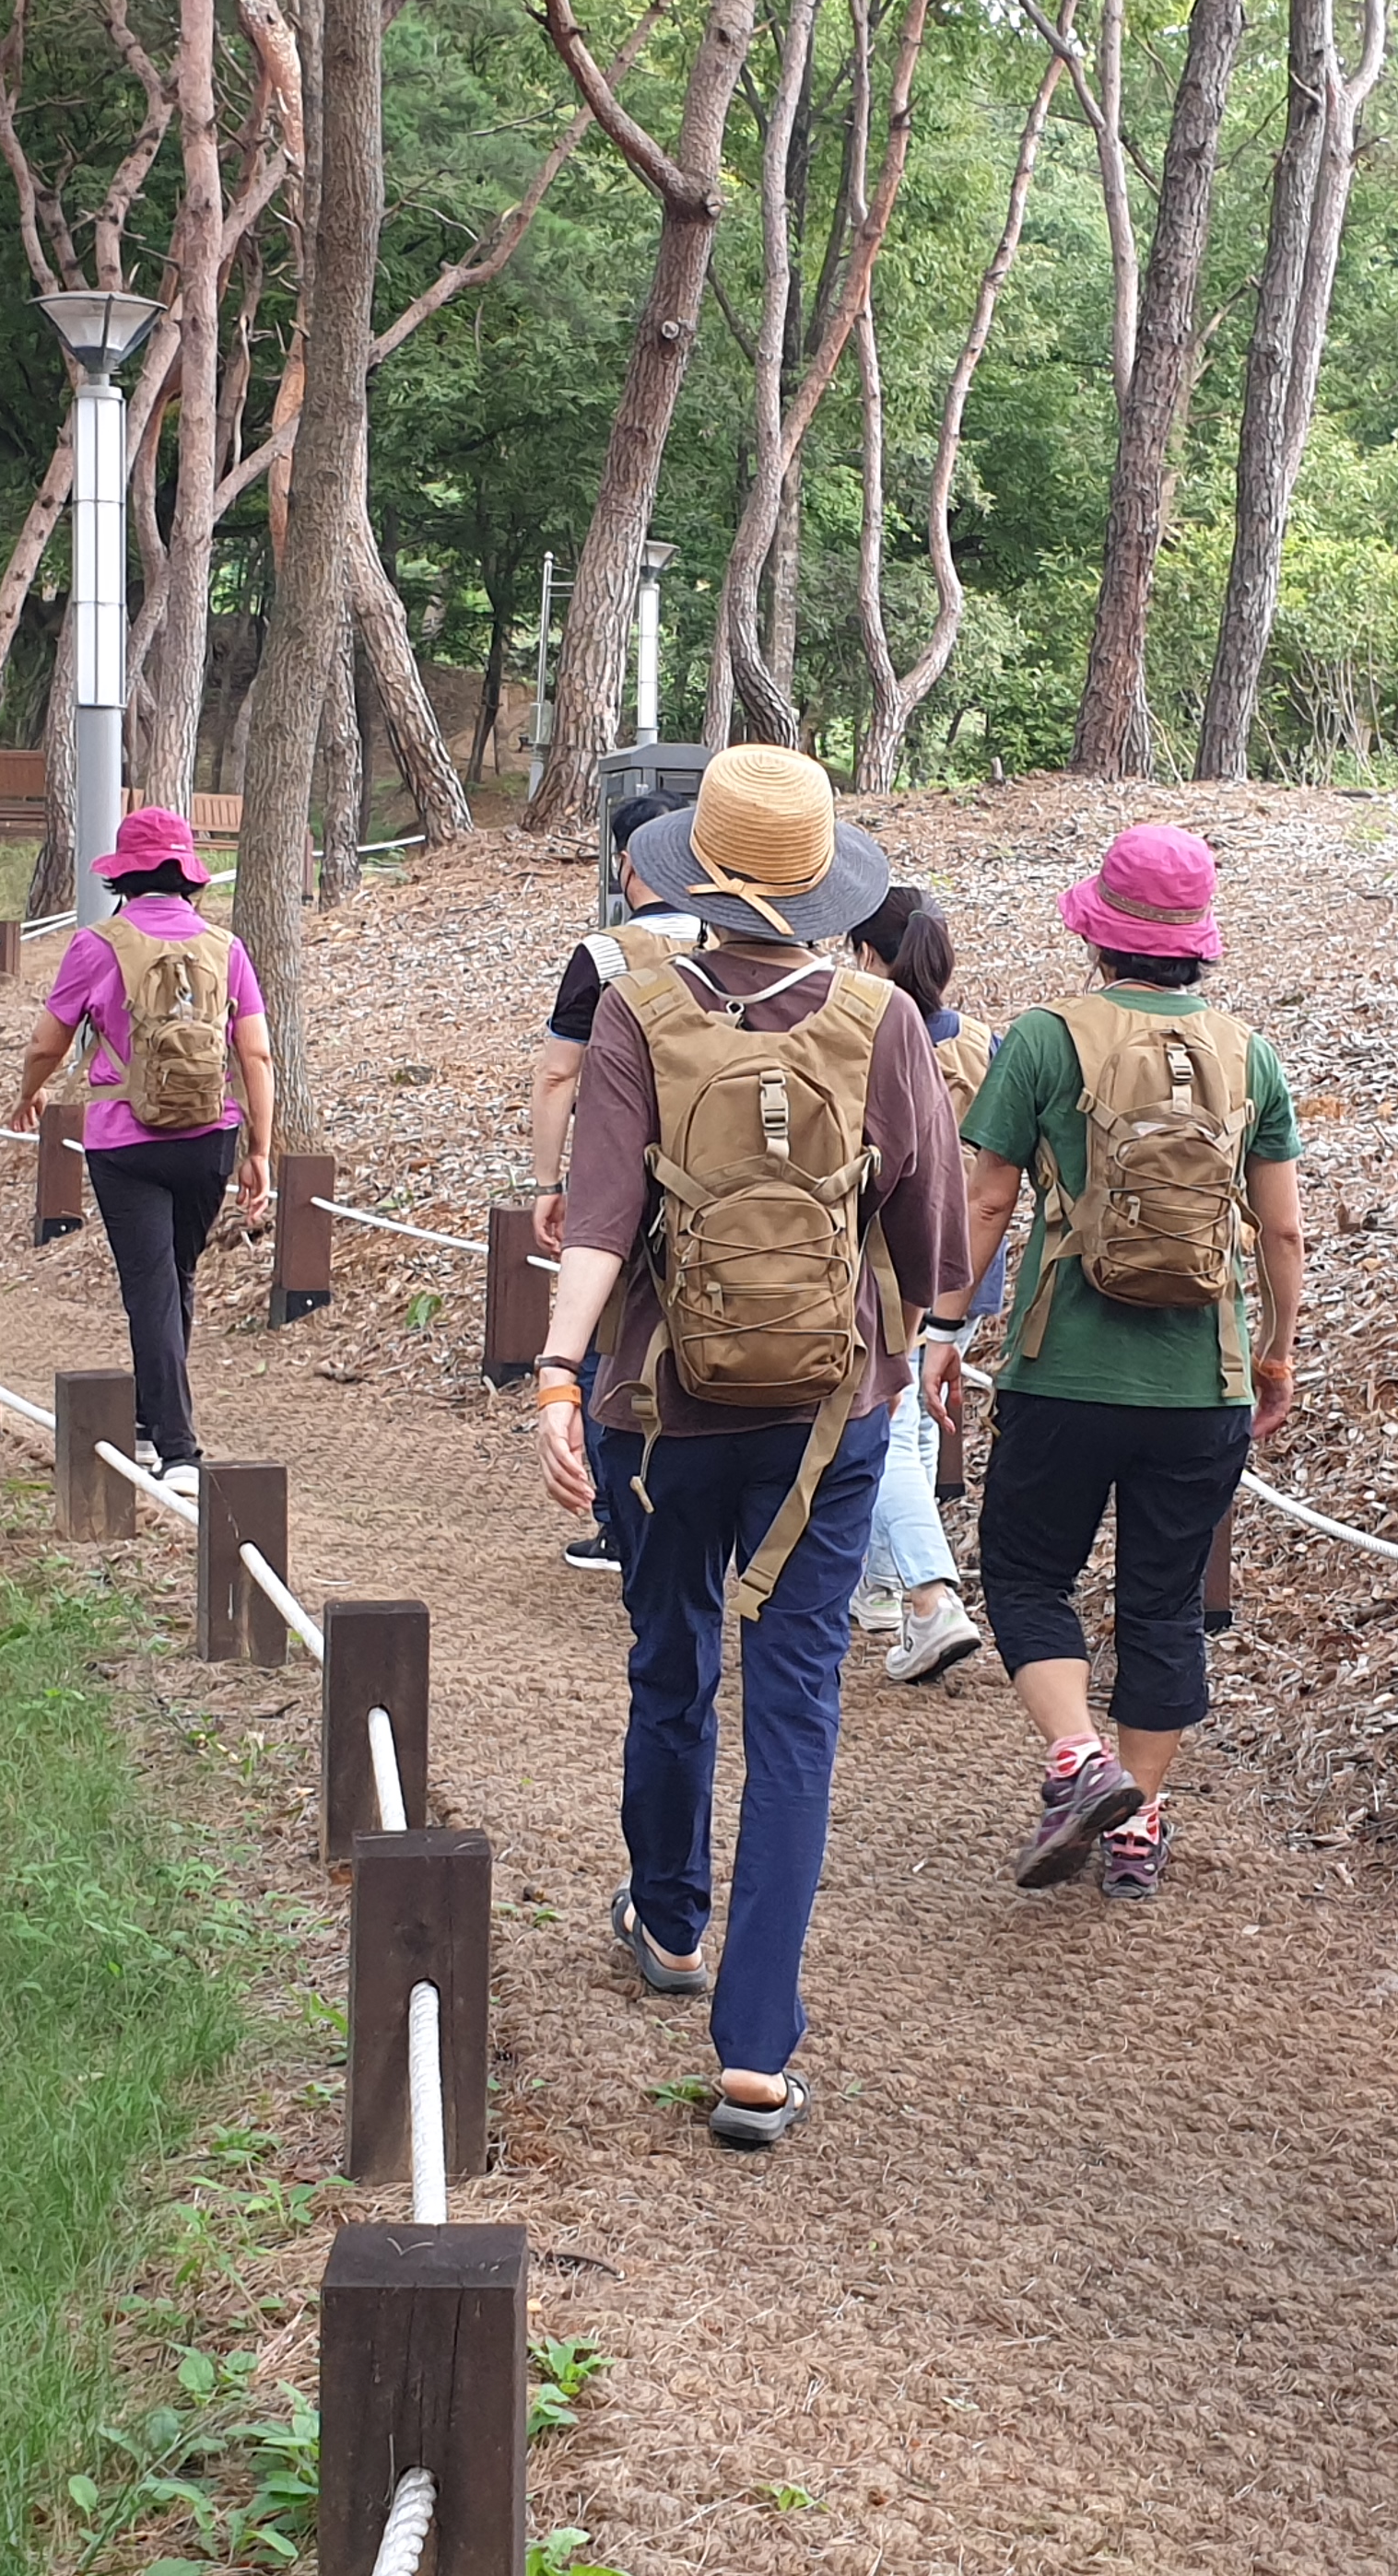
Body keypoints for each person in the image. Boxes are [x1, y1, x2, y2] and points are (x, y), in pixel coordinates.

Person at [527, 746, 965, 2150]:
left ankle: (668, 1921)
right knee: (795, 1710)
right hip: (827, 1422)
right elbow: (931, 1247)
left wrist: (556, 1375)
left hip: (656, 1411)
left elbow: (598, 1219)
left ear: (692, 878)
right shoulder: (882, 1020)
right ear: (823, 886)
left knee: (671, 1660)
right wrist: (918, 1344)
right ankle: (757, 2053)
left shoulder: (635, 1008)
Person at [925, 824, 1302, 1903]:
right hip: (1202, 1381)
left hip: (1062, 1372)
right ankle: (1137, 1824)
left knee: (1028, 1574)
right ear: (1197, 941)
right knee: (1164, 1602)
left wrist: (943, 1330)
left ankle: (1078, 1761)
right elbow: (1282, 1232)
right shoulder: (1249, 1054)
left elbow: (988, 1201)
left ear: (1097, 934)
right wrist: (1276, 1355)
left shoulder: (1045, 1040)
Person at [6, 808, 275, 1500]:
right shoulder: (225, 947)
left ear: (122, 878)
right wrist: (261, 1150)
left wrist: (29, 1094)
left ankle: (177, 1451)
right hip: (209, 1136)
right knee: (175, 1277)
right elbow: (256, 1055)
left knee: (152, 1286)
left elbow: (46, 1042)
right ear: (188, 876)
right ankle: (152, 1421)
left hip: (125, 1142)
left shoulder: (96, 946)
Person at [526, 792, 706, 1574]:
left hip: (619, 1178)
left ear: (627, 861)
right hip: (718, 1179)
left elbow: (557, 1074)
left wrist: (547, 1181)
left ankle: (616, 1513)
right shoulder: (729, 941)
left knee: (608, 1334)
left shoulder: (603, 955)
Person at [843, 886, 992, 1684]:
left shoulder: (862, 1035)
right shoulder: (986, 1043)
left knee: (888, 1427)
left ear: (869, 954)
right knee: (923, 1427)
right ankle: (880, 1590)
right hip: (968, 1266)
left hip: (891, 1262)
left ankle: (931, 1599)